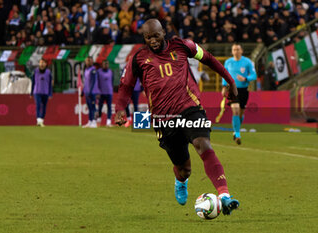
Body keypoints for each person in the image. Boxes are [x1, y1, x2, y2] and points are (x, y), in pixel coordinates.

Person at [115, 19, 240, 215]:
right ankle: (181, 180)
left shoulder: (183, 46)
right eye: (148, 37)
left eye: (156, 35)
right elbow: (126, 87)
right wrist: (120, 108)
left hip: (190, 109)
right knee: (184, 169)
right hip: (163, 119)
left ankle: (224, 196)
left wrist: (230, 81)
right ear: (144, 38)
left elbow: (207, 58)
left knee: (203, 145)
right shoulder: (138, 59)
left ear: (163, 32)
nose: (153, 40)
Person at [222, 43, 257, 145]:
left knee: (241, 114)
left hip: (244, 90)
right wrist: (224, 87)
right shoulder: (228, 62)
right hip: (232, 90)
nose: (236, 51)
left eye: (238, 49)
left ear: (241, 51)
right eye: (234, 50)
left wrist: (246, 78)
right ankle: (237, 134)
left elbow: (254, 75)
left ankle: (236, 130)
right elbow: (224, 75)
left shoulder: (247, 62)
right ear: (232, 51)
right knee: (236, 110)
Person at [30, 58, 53, 127]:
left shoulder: (48, 72)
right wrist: (31, 93)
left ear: (46, 64)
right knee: (38, 105)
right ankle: (38, 120)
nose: (42, 64)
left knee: (44, 107)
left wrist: (50, 93)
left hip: (45, 92)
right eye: (40, 63)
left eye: (43, 63)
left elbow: (50, 84)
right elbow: (33, 82)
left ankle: (41, 120)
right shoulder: (35, 71)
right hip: (37, 91)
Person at [82, 56, 100, 128]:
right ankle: (90, 121)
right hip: (87, 91)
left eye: (89, 60)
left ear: (92, 62)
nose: (88, 62)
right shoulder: (86, 70)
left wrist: (90, 91)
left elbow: (93, 82)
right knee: (89, 107)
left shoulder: (93, 70)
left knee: (93, 107)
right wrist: (83, 91)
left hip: (92, 92)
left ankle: (94, 122)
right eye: (87, 60)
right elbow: (86, 82)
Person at [97, 60, 114, 127]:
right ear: (102, 65)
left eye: (107, 64)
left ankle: (108, 122)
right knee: (100, 107)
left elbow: (112, 81)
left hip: (109, 92)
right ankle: (98, 121)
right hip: (101, 93)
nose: (106, 65)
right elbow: (96, 82)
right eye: (104, 64)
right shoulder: (98, 72)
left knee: (109, 107)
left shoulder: (111, 72)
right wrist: (97, 92)